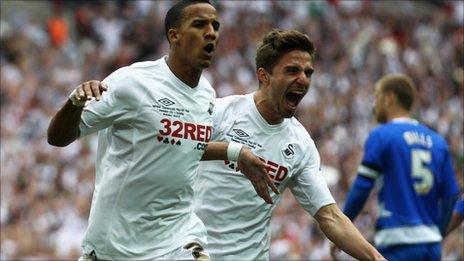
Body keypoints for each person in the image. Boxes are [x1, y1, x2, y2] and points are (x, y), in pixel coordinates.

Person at [47, 1, 278, 260]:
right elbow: (57, 137)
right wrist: (75, 101)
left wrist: (236, 152)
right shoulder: (133, 83)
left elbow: (185, 146)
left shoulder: (207, 95)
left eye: (215, 25)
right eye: (200, 24)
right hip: (116, 247)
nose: (211, 32)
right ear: (174, 35)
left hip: (176, 239)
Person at [193, 28, 384, 260]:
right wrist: (235, 152)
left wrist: (375, 258)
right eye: (292, 70)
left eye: (308, 72)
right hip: (195, 251)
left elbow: (329, 216)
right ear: (264, 75)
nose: (303, 79)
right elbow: (178, 148)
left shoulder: (301, 145)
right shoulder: (223, 112)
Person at [338, 74, 459, 260]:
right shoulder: (438, 141)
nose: (374, 104)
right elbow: (451, 196)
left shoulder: (382, 135)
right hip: (431, 247)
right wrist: (437, 232)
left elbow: (362, 187)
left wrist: (341, 229)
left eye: (377, 96)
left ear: (390, 98)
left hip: (397, 242)